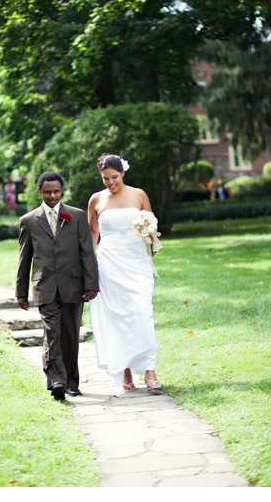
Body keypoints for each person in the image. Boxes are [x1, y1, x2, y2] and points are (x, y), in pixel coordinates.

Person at [16, 172, 99, 400]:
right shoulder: (29, 221)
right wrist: (21, 292)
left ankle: (72, 382)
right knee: (52, 332)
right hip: (45, 286)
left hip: (73, 284)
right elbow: (24, 259)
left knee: (70, 336)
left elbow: (87, 252)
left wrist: (91, 284)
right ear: (39, 192)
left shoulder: (77, 216)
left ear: (62, 191)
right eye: (47, 192)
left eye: (56, 192)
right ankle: (56, 381)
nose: (52, 196)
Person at [87, 153, 162, 391]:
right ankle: (126, 372)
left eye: (114, 177)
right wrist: (88, 265)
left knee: (142, 312)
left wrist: (149, 233)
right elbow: (92, 234)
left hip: (137, 263)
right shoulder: (96, 200)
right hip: (109, 264)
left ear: (123, 173)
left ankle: (150, 371)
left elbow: (152, 224)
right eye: (105, 178)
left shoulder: (139, 194)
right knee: (117, 317)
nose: (110, 183)